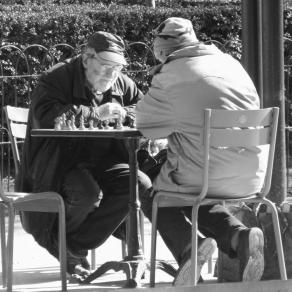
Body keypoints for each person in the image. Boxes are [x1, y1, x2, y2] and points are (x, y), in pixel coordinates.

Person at [136, 17, 266, 285]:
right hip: (253, 175)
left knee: (154, 193)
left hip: (204, 173)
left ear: (161, 51)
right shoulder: (231, 63)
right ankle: (239, 236)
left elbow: (145, 126)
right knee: (196, 190)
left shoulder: (170, 74)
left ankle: (190, 248)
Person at [15, 31, 152, 277]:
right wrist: (95, 114)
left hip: (105, 158)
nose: (112, 73)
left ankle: (72, 247)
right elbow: (46, 115)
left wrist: (126, 114)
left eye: (117, 66)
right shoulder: (56, 78)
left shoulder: (122, 82)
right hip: (60, 160)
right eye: (106, 65)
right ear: (87, 57)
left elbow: (142, 106)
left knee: (138, 182)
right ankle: (69, 249)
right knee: (87, 193)